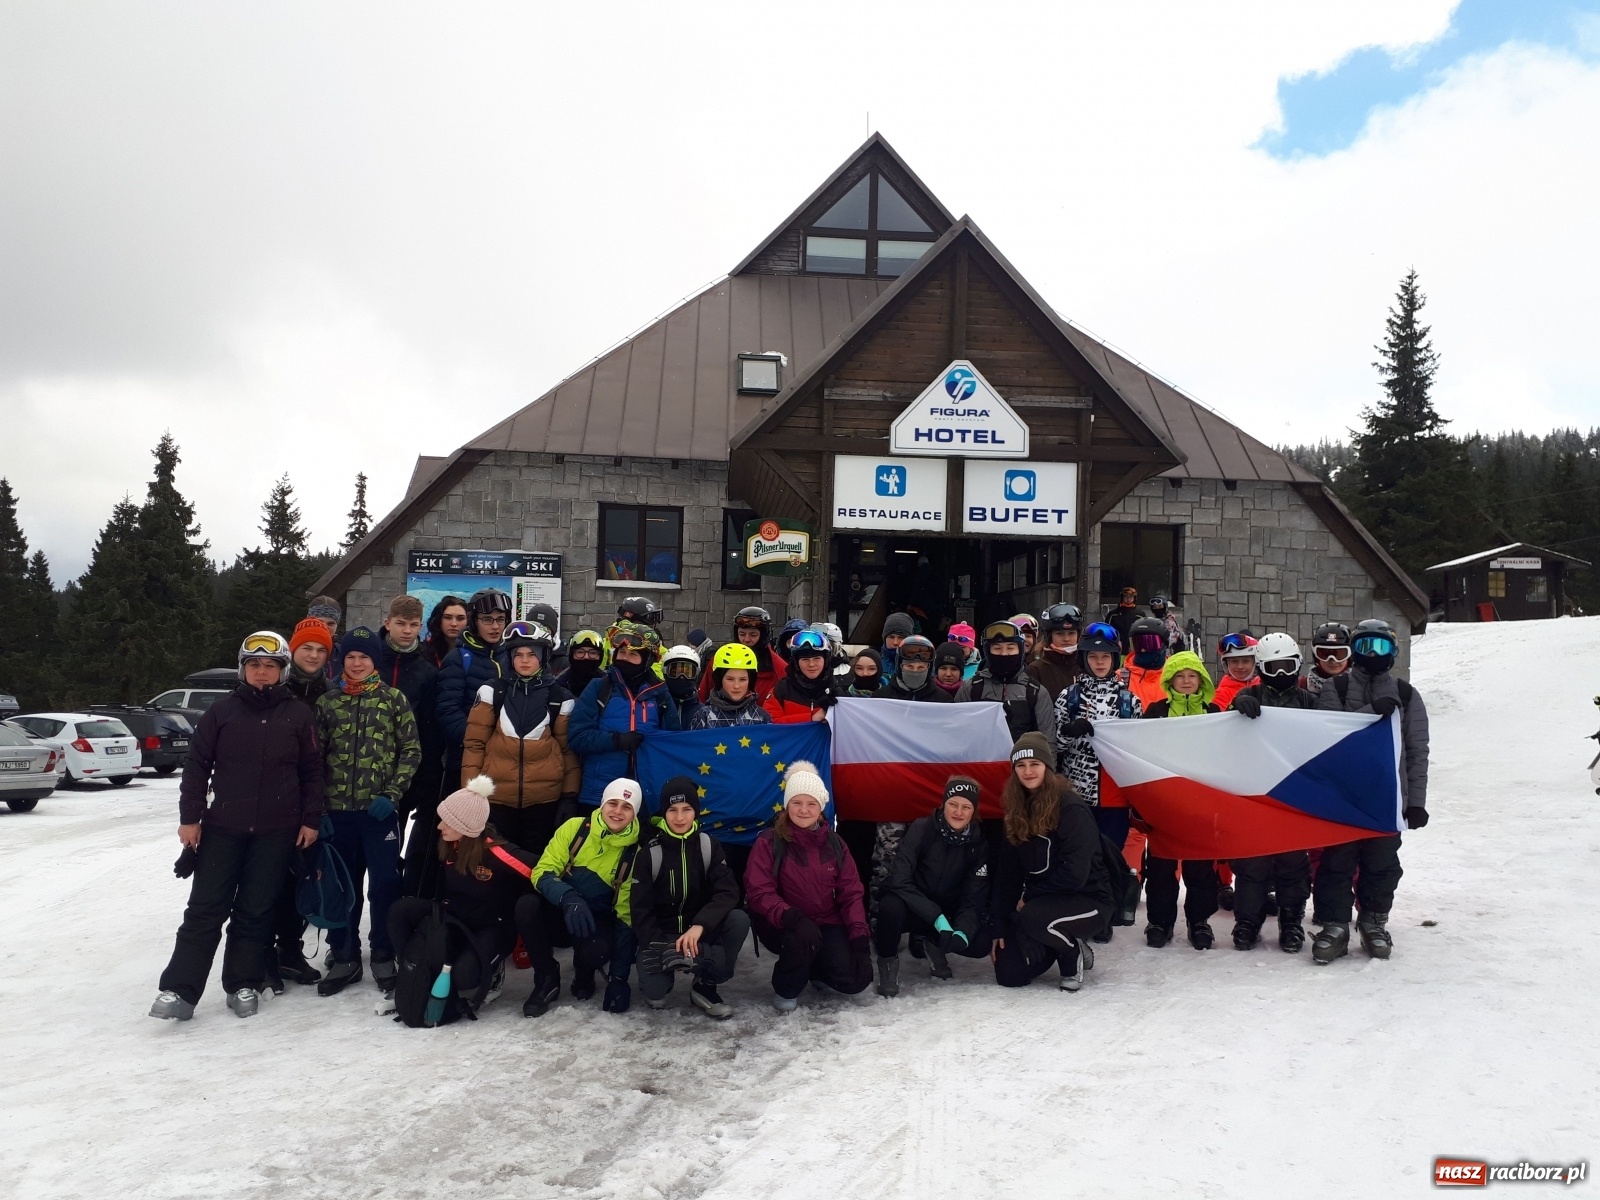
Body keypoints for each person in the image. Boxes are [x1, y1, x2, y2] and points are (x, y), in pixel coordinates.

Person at [150, 632, 324, 1022]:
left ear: (282, 671)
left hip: (277, 831)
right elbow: (197, 767)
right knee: (205, 910)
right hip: (222, 828)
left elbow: (312, 772)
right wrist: (190, 818)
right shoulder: (221, 712)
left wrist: (310, 819)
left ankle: (242, 983)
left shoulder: (298, 715)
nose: (262, 672)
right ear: (243, 669)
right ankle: (179, 990)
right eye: (254, 665)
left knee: (255, 911)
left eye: (270, 666)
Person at [1312, 618, 1430, 964]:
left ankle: (1373, 921)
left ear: (1393, 652)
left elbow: (1416, 751)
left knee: (1382, 865)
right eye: (1365, 646)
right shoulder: (1337, 688)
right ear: (1354, 651)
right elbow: (1327, 737)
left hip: (1387, 799)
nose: (1372, 654)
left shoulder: (1406, 695)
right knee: (1337, 863)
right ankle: (1334, 925)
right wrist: (1369, 713)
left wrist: (1416, 802)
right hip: (1344, 797)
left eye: (1380, 647)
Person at [315, 626, 422, 996]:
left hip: (379, 814)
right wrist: (320, 808)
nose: (357, 663)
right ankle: (343, 954)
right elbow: (314, 759)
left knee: (384, 885)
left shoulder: (393, 700)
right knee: (342, 887)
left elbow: (411, 751)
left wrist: (392, 794)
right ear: (342, 660)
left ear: (375, 661)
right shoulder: (328, 703)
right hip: (337, 814)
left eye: (364, 657)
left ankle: (383, 951)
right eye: (351, 656)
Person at [384, 776, 540, 1017]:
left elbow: (541, 870)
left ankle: (493, 971)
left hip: (493, 926)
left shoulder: (497, 851)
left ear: (466, 826)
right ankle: (413, 972)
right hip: (456, 917)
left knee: (463, 977)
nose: (439, 826)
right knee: (401, 909)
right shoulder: (451, 844)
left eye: (447, 821)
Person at [743, 761, 872, 1011]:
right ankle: (786, 988)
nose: (803, 810)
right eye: (797, 803)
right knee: (800, 940)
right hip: (783, 922)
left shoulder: (835, 844)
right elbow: (759, 891)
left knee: (855, 979)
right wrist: (791, 916)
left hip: (826, 920)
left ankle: (816, 969)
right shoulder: (769, 842)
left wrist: (860, 939)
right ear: (787, 805)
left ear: (821, 808)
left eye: (811, 803)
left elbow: (851, 894)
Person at [989, 733, 1112, 993]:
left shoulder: (1070, 808)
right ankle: (1053, 939)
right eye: (1021, 765)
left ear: (1047, 766)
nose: (1028, 771)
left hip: (1089, 899)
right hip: (1042, 903)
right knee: (1010, 973)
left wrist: (1029, 899)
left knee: (1034, 917)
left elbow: (1075, 874)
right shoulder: (1016, 808)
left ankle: (1072, 953)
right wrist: (1001, 925)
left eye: (1035, 764)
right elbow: (1007, 874)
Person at [518, 777, 644, 1016]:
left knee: (597, 951)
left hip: (594, 921)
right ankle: (546, 978)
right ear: (602, 804)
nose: (618, 811)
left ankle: (584, 970)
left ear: (634, 814)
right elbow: (542, 871)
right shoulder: (575, 828)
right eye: (613, 803)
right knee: (527, 906)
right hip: (561, 909)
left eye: (627, 807)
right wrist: (568, 897)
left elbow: (625, 917)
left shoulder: (635, 855)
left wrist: (618, 978)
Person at [459, 620, 579, 862]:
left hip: (543, 802)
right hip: (497, 799)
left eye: (532, 654)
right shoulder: (492, 692)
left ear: (543, 657)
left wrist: (569, 797)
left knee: (535, 863)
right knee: (499, 863)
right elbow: (474, 746)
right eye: (518, 655)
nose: (525, 660)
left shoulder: (560, 698)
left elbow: (568, 752)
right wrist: (470, 793)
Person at [1226, 631, 1316, 952]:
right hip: (1256, 793)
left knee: (1293, 862)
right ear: (1261, 669)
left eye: (1286, 666)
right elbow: (1225, 735)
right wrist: (1237, 706)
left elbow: (1328, 735)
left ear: (1297, 665)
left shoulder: (1309, 702)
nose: (1280, 674)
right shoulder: (1249, 695)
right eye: (1272, 667)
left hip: (1294, 794)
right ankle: (1247, 921)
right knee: (1252, 862)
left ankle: (1291, 922)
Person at [631, 776, 750, 1019]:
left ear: (695, 812)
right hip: (663, 934)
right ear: (663, 813)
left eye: (686, 809)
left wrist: (700, 925)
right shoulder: (649, 853)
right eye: (672, 810)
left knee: (738, 919)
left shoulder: (709, 846)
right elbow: (640, 909)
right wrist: (662, 947)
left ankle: (705, 985)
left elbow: (728, 892)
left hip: (699, 933)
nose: (679, 817)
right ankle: (664, 974)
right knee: (655, 995)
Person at [874, 777, 994, 996]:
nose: (958, 812)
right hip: (914, 906)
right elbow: (899, 879)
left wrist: (963, 931)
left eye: (966, 807)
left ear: (974, 811)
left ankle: (934, 944)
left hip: (946, 911)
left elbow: (973, 897)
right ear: (943, 804)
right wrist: (936, 917)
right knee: (890, 907)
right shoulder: (922, 828)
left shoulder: (978, 843)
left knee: (979, 942)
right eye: (953, 804)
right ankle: (888, 961)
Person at [268, 618, 337, 989]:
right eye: (306, 648)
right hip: (272, 800)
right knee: (267, 881)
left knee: (301, 879)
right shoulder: (274, 688)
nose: (313, 655)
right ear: (292, 651)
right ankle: (262, 955)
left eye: (321, 649)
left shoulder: (331, 694)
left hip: (312, 801)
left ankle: (290, 951)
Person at [1139, 650, 1222, 949]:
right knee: (1161, 866)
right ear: (1169, 680)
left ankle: (1199, 920)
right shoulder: (1156, 711)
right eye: (1180, 676)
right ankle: (1159, 921)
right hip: (1165, 801)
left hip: (1202, 801)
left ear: (1202, 680)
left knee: (1200, 867)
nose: (1186, 681)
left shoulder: (1215, 712)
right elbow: (1141, 750)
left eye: (1192, 675)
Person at [567, 621, 672, 814]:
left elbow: (673, 743)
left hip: (644, 796)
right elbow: (577, 736)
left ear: (647, 660)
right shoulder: (599, 688)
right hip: (599, 794)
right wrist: (616, 740)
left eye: (633, 655)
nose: (625, 659)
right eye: (621, 653)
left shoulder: (660, 694)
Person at [1054, 622, 1142, 844]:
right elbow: (1054, 747)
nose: (1100, 662)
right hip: (1076, 793)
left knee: (1110, 854)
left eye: (1105, 656)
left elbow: (1138, 751)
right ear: (1084, 659)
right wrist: (1068, 732)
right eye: (1093, 656)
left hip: (1115, 795)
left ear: (1114, 659)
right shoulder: (1069, 697)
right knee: (1079, 853)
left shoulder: (1129, 701)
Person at [378, 594, 441, 848]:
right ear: (387, 623)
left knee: (393, 841)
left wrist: (424, 777)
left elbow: (428, 729)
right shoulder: (369, 661)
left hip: (404, 771)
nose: (407, 631)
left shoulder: (427, 671)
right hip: (364, 767)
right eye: (401, 623)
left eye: (413, 625)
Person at [955, 620, 1055, 739]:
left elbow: (1047, 741)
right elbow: (957, 732)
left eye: (1010, 648)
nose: (1004, 654)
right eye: (997, 648)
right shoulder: (972, 688)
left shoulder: (1034, 692)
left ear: (1020, 650)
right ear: (988, 652)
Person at [699, 605, 787, 703]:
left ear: (764, 636)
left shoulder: (778, 668)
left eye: (753, 635)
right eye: (742, 634)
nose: (746, 639)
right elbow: (703, 694)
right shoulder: (721, 658)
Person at [691, 642, 773, 728]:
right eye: (730, 679)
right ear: (719, 680)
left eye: (743, 679)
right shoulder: (704, 717)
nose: (736, 686)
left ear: (750, 681)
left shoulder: (761, 717)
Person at [764, 629, 837, 723]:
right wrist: (812, 718)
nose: (811, 664)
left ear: (826, 661)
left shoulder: (836, 692)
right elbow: (769, 724)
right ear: (796, 663)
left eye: (817, 658)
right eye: (805, 659)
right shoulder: (781, 690)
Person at [1029, 603, 1084, 701]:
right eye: (1060, 634)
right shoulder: (1036, 670)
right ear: (1049, 636)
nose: (1066, 639)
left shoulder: (1086, 666)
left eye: (1071, 633)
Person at [1123, 616, 1170, 712]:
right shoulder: (1120, 678)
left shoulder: (1175, 677)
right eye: (1138, 644)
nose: (1143, 650)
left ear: (1164, 645)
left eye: (1150, 644)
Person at [659, 643, 707, 730]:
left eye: (688, 673)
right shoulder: (656, 709)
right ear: (665, 672)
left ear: (696, 674)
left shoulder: (704, 713)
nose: (681, 677)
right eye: (675, 672)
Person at [1212, 630, 1259, 711]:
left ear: (1255, 662)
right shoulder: (1221, 694)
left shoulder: (1265, 687)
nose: (1240, 666)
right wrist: (1232, 707)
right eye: (1234, 661)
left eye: (1245, 661)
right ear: (1226, 664)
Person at [1303, 621, 1352, 697]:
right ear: (1315, 656)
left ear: (1350, 655)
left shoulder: (1362, 687)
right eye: (1325, 653)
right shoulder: (1302, 685)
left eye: (1340, 654)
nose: (1332, 660)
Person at [422, 595, 469, 669]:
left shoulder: (479, 653)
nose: (454, 624)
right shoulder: (423, 652)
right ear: (439, 620)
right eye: (447, 617)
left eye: (460, 618)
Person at [556, 629, 606, 698]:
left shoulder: (609, 685)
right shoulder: (557, 685)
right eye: (580, 652)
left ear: (600, 657)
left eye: (592, 653)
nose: (586, 657)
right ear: (572, 655)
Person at [1105, 586, 1143, 653]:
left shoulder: (1140, 615)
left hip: (1134, 651)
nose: (1128, 599)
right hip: (1116, 650)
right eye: (1126, 597)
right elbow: (1107, 632)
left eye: (1131, 597)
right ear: (1122, 598)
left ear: (1134, 598)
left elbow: (1143, 633)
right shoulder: (1113, 615)